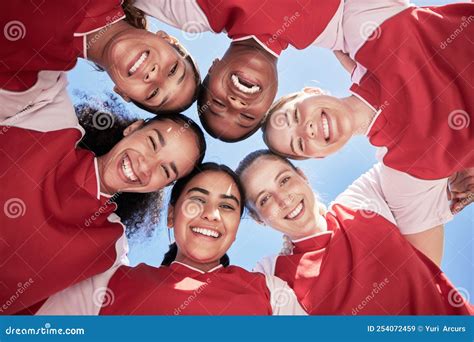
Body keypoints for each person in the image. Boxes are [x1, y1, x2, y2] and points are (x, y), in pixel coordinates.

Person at [0, 83, 206, 314]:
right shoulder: (52, 117)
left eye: (166, 171)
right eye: (152, 143)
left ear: (163, 186)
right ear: (133, 128)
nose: (146, 165)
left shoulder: (112, 248)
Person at [35, 163, 306, 315]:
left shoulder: (271, 291)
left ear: (235, 228)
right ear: (171, 215)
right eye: (197, 200)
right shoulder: (107, 283)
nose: (211, 214)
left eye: (226, 206)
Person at [236, 150, 473, 315]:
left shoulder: (362, 198)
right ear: (259, 219)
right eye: (265, 198)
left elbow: (417, 145)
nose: (283, 199)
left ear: (303, 176)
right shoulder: (271, 274)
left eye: (285, 180)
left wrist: (456, 164)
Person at [262, 2, 473, 181]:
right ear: (320, 156)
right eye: (299, 144)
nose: (306, 131)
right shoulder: (402, 167)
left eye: (296, 115)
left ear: (311, 91)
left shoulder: (364, 29)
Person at [134, 0, 342, 141]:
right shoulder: (331, 30)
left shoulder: (195, 12)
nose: (236, 103)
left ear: (213, 67)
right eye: (247, 117)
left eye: (218, 103)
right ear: (271, 100)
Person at [0, 0, 200, 119]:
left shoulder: (32, 76)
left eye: (154, 92)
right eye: (173, 70)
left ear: (123, 93)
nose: (154, 76)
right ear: (166, 38)